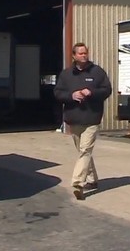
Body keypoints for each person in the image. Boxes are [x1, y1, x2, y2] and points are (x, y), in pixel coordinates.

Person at [54, 42, 112, 200]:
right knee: (83, 151)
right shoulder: (66, 75)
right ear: (74, 56)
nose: (84, 55)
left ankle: (78, 182)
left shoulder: (97, 72)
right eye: (80, 53)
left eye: (85, 53)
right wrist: (71, 96)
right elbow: (58, 93)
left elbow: (107, 89)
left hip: (91, 118)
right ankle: (92, 180)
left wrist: (91, 91)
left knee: (85, 150)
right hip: (74, 118)